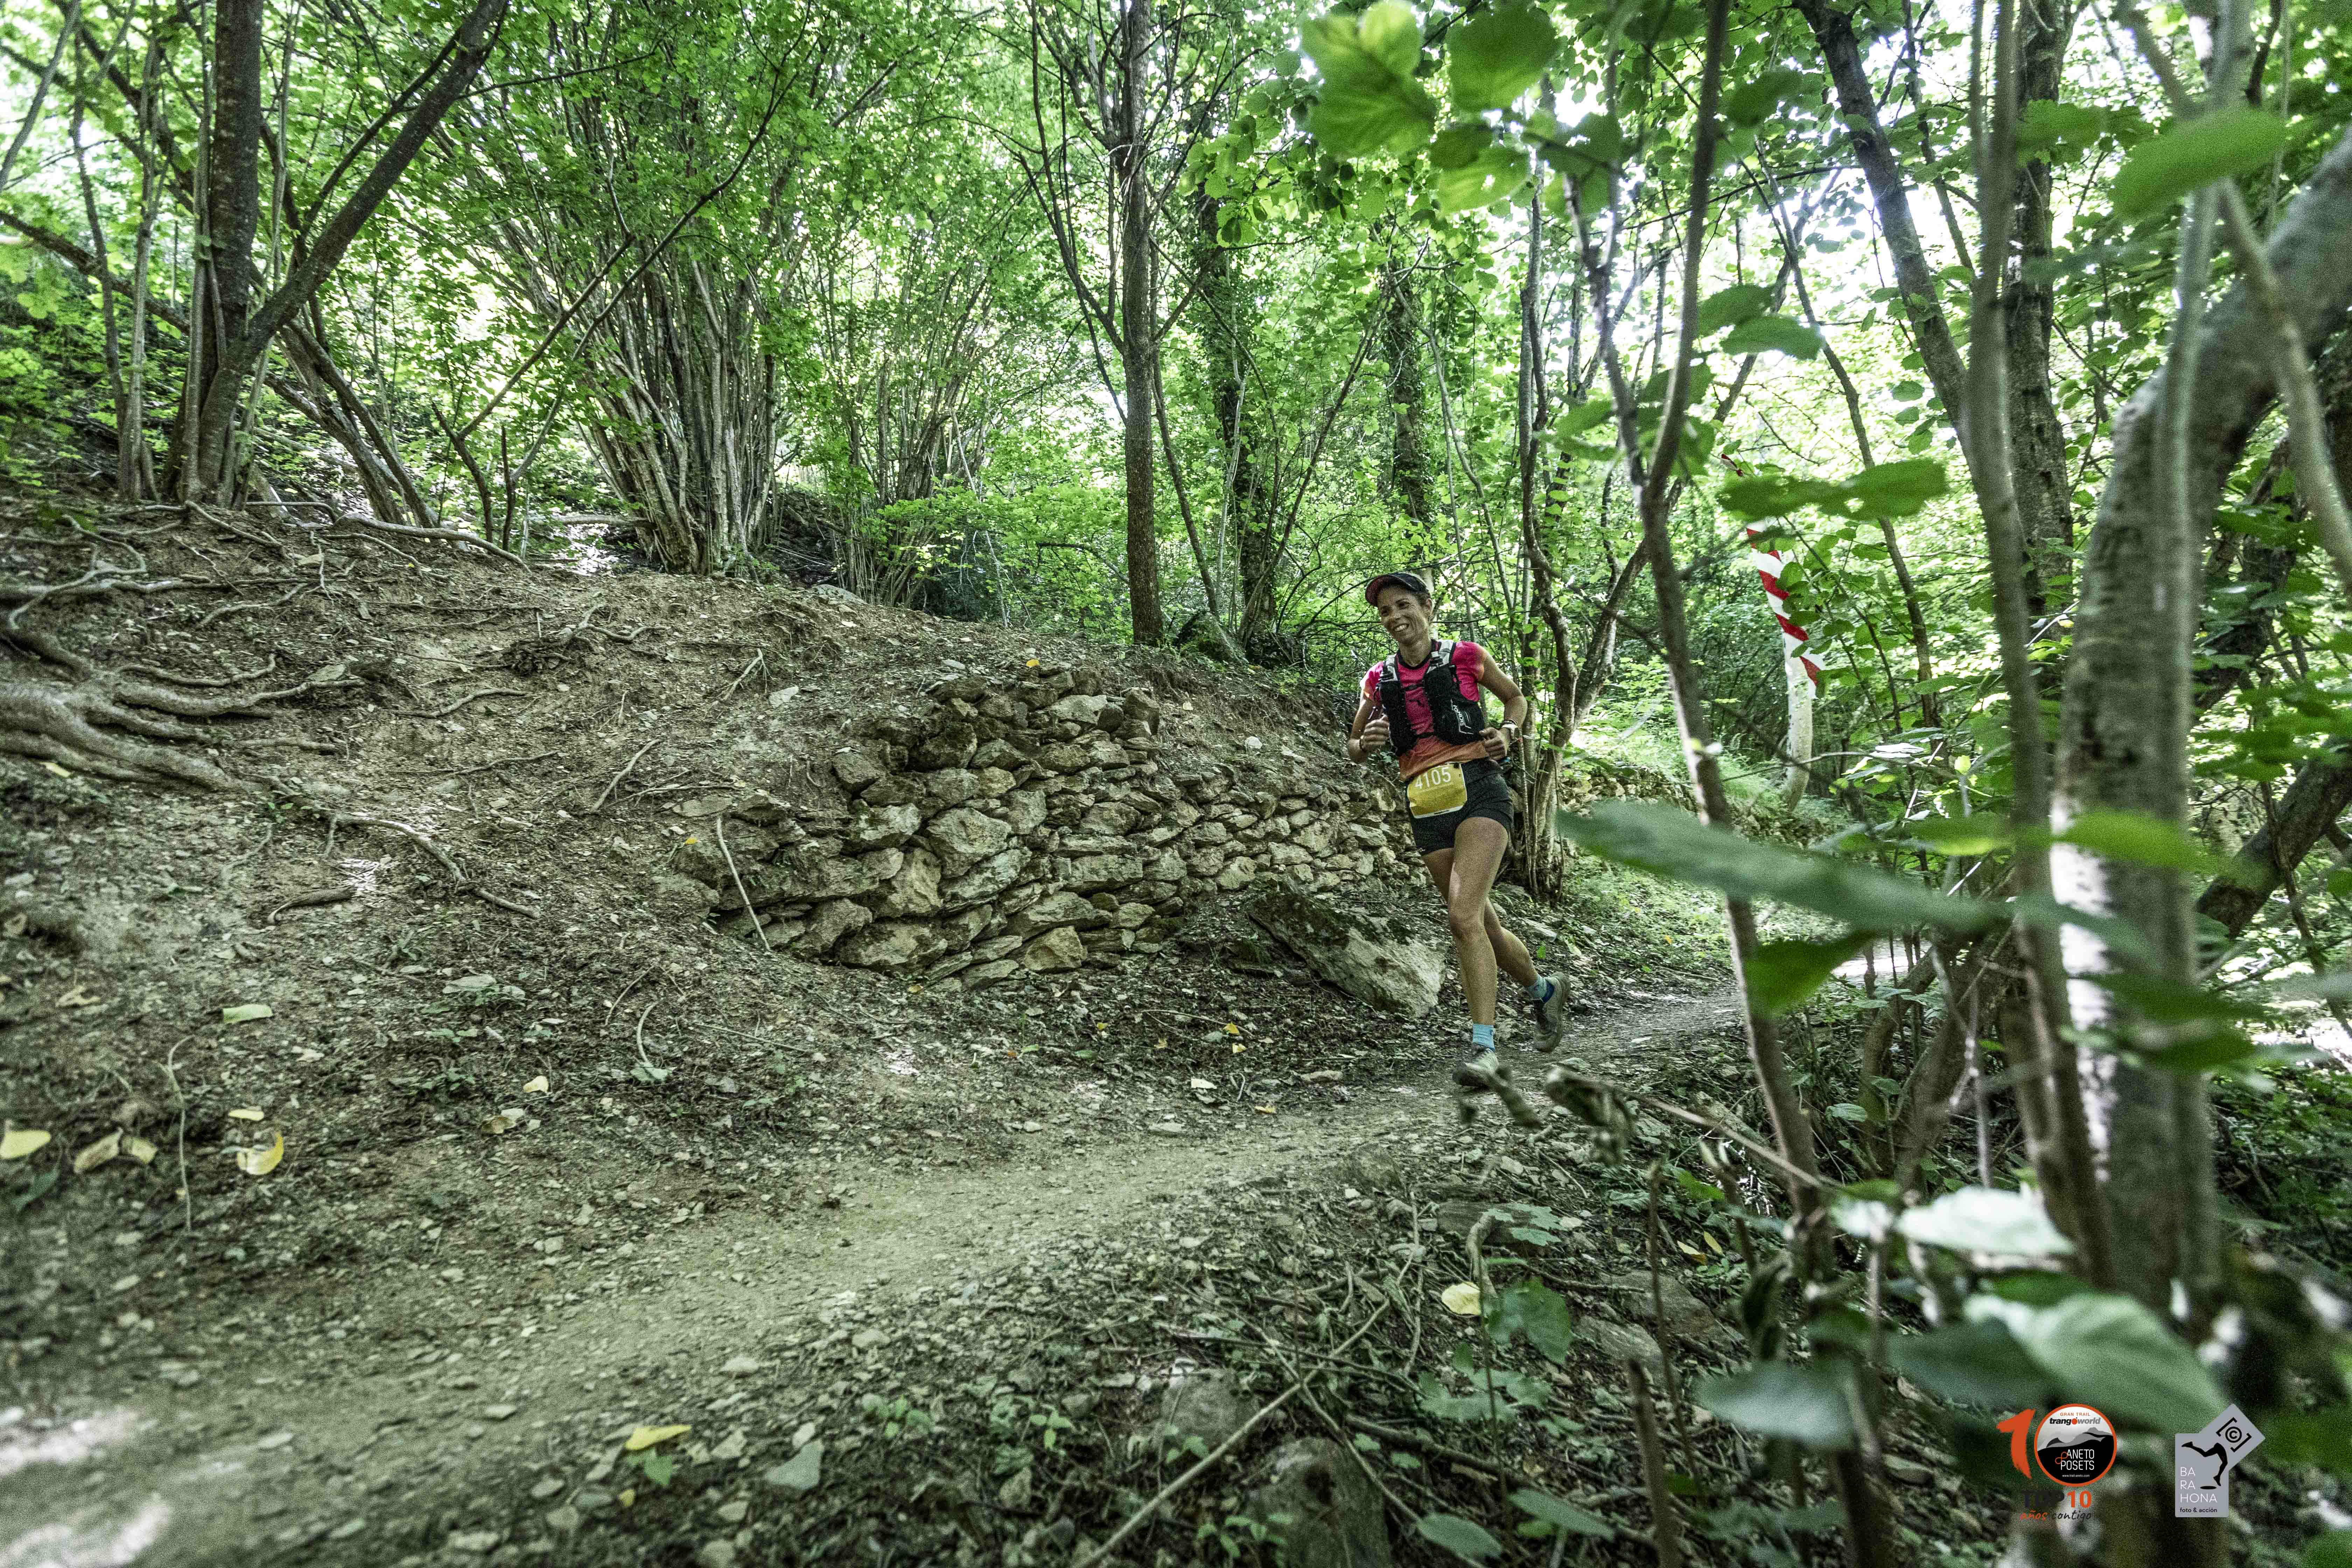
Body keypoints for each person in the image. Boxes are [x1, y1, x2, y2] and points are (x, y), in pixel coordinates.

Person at [1345, 570, 1568, 1102]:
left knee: (1461, 917)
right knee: (1482, 927)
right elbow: (1353, 745)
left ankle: (1486, 1051)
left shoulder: (1466, 656)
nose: (1395, 617)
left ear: (1425, 605)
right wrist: (1367, 741)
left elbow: (1516, 701)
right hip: (1425, 804)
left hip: (1480, 791)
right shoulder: (1379, 680)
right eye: (1385, 612)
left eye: (1403, 605)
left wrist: (1509, 733)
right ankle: (1544, 991)